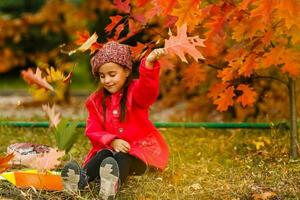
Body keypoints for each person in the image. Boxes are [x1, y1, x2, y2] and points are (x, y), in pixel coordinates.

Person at [61, 41, 169, 199]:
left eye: (112, 74)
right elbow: (93, 129)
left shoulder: (136, 92)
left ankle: (111, 186)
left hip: (140, 155)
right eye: (102, 76)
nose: (107, 80)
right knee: (103, 154)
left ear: (126, 71)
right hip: (111, 152)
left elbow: (148, 91)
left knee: (122, 157)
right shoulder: (96, 101)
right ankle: (80, 181)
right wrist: (111, 140)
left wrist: (149, 64)